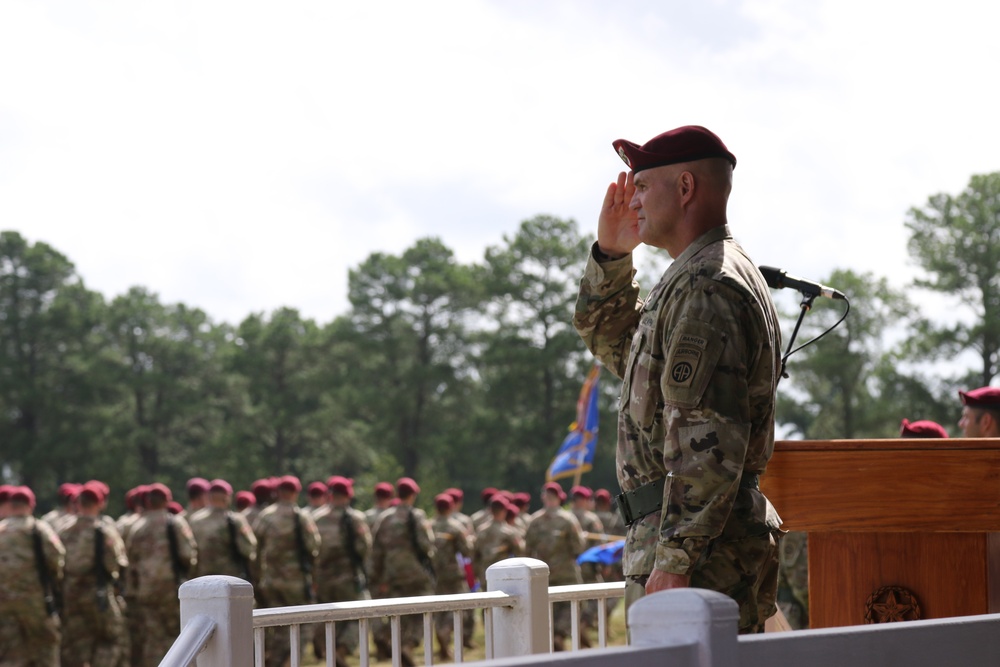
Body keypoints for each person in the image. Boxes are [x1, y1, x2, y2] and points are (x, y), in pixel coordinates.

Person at [573, 125, 783, 634]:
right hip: (697, 541)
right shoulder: (693, 278)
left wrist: (676, 559)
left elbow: (707, 441)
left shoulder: (706, 285)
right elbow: (618, 349)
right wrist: (612, 256)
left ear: (686, 188)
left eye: (643, 187)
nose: (633, 201)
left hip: (699, 552)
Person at [57, 482, 130, 667]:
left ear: (77, 504)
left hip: (70, 596)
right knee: (110, 639)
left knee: (73, 646)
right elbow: (116, 563)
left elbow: (54, 562)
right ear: (100, 504)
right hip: (99, 597)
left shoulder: (62, 531)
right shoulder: (104, 531)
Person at [126, 482, 198, 667]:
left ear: (148, 502)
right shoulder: (175, 523)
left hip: (146, 590)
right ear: (168, 500)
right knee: (179, 636)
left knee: (152, 639)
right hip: (171, 589)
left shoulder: (137, 527)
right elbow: (188, 555)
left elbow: (130, 561)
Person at [254, 475, 320, 667]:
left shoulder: (266, 516)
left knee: (277, 625)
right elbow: (314, 547)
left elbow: (255, 550)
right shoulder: (300, 516)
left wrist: (259, 577)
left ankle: (274, 660)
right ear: (295, 493)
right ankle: (290, 661)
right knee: (305, 623)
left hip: (270, 581)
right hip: (296, 582)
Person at [370, 477, 435, 667]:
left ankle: (396, 644)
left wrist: (378, 576)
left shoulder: (385, 518)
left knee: (399, 612)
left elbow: (376, 551)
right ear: (413, 495)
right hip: (415, 572)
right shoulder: (417, 516)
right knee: (425, 608)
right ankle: (409, 644)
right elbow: (426, 545)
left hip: (391, 574)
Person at [0, 486, 65, 667]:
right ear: (31, 505)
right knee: (46, 648)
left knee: (10, 653)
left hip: (3, 603)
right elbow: (57, 558)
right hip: (35, 601)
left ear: (11, 505)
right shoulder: (38, 528)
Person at [312, 476, 371, 667]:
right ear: (348, 495)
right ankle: (342, 650)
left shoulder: (316, 518)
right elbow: (364, 547)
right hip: (349, 576)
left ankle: (327, 649)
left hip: (323, 578)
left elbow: (309, 547)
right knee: (362, 612)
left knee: (327, 616)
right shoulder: (355, 518)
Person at [524, 482, 585, 650]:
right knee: (572, 606)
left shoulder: (534, 520)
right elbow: (578, 547)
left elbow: (527, 551)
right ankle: (559, 635)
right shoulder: (568, 519)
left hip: (543, 576)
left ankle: (552, 639)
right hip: (566, 574)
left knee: (548, 609)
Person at [430, 493, 474, 660]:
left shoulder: (428, 526)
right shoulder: (456, 527)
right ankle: (446, 632)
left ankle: (442, 644)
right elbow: (466, 551)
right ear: (450, 508)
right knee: (456, 605)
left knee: (437, 607)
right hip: (453, 573)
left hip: (434, 574)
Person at [187, 479, 257, 580]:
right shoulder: (236, 520)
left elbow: (189, 552)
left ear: (209, 497)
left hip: (202, 578)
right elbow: (248, 549)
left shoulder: (195, 520)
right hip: (230, 577)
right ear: (227, 497)